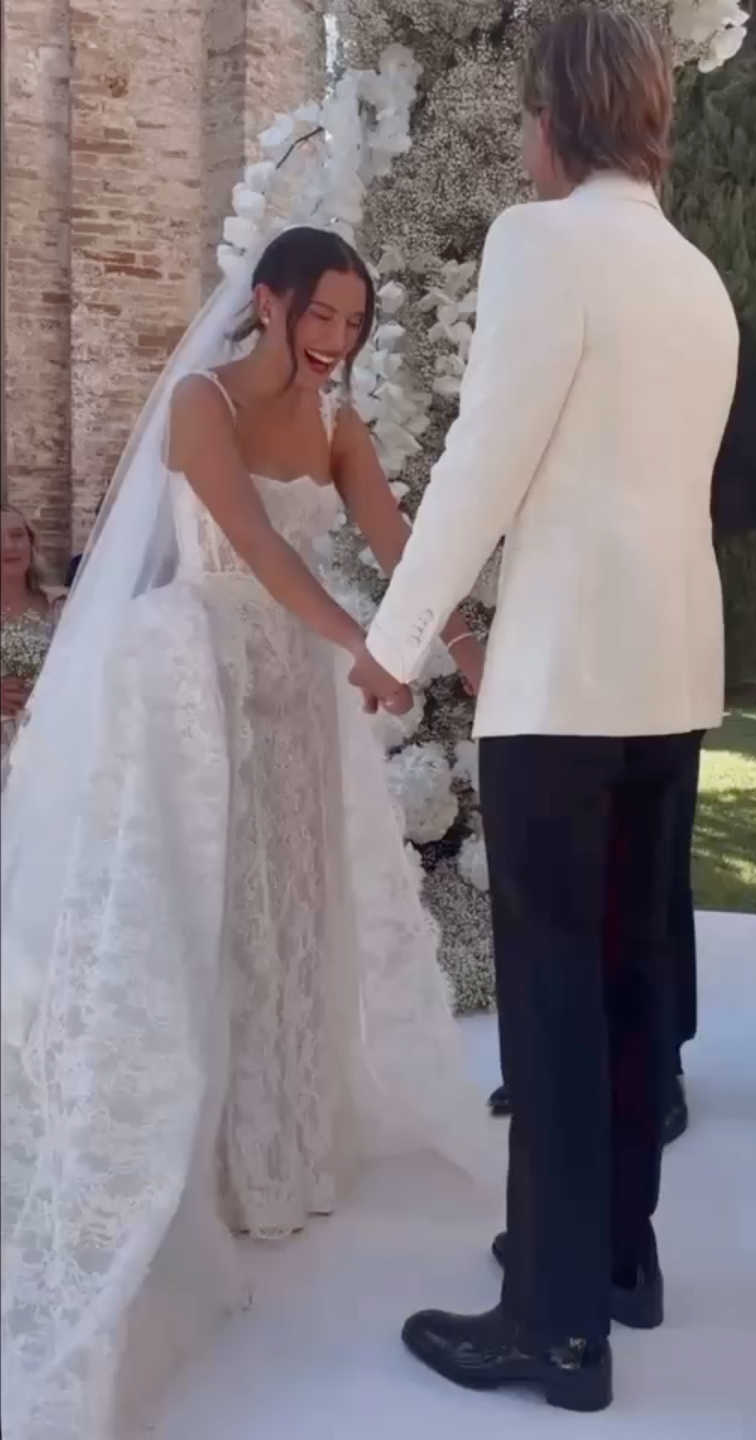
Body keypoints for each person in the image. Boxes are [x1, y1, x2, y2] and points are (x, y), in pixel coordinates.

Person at [0, 226, 492, 1440]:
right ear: (267, 302)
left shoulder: (336, 422)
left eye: (354, 323)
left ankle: (285, 1153)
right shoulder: (202, 406)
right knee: (210, 913)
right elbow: (261, 549)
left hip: (299, 697)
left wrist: (470, 648)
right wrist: (364, 647)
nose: (337, 340)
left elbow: (398, 539)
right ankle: (204, 1165)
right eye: (321, 315)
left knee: (296, 907)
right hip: (200, 686)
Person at [349, 7, 740, 1412]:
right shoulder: (699, 275)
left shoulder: (543, 244)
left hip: (565, 683)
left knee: (557, 997)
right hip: (669, 678)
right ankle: (618, 1262)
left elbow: (481, 468)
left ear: (557, 116)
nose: (520, 133)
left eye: (528, 109)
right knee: (632, 982)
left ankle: (552, 1323)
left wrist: (397, 641)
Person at [487, 316, 756, 1139]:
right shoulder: (555, 319)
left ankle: (658, 1070)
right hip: (551, 632)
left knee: (652, 867)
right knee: (543, 872)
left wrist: (653, 518)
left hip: (657, 630)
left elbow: (750, 484)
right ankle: (546, 1070)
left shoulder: (712, 323)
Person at [0, 505, 64, 782]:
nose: (8, 546)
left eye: (17, 535)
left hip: (52, 745)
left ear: (31, 543)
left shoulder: (63, 606)